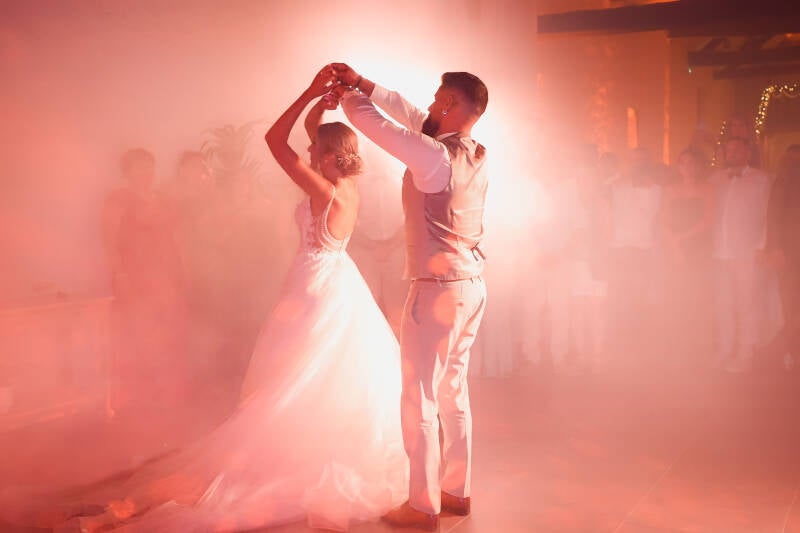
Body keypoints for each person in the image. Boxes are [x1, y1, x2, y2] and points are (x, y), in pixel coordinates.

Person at [2, 67, 408, 533]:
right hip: (335, 284)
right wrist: (324, 105)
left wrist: (311, 92)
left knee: (290, 380)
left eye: (316, 149)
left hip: (314, 290)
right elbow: (314, 132)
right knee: (309, 378)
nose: (310, 151)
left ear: (331, 157)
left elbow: (275, 141)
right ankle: (295, 445)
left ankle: (271, 452)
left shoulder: (325, 190)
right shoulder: (347, 188)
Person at [334, 63, 489, 530]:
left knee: (419, 397)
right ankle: (457, 490)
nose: (431, 104)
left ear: (452, 104)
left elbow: (374, 124)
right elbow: (409, 112)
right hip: (472, 285)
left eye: (439, 98)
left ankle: (422, 506)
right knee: (453, 391)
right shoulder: (474, 151)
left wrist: (347, 96)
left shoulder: (434, 155)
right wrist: (361, 82)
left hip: (437, 291)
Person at [710, 136, 771, 373]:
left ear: (748, 152)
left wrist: (762, 246)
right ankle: (725, 349)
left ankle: (746, 354)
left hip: (747, 252)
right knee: (723, 304)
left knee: (746, 304)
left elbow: (767, 214)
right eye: (729, 149)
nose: (732, 153)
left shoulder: (761, 179)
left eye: (737, 149)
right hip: (719, 251)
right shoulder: (715, 179)